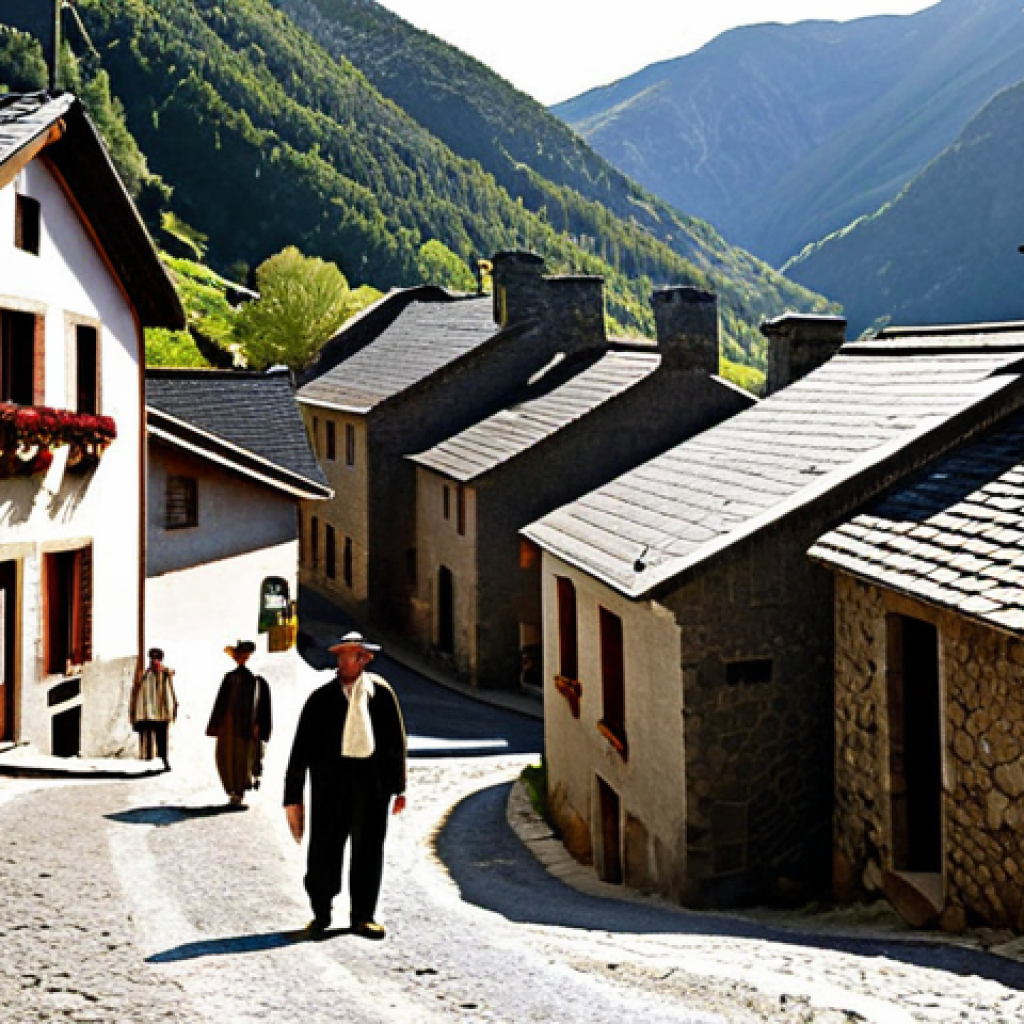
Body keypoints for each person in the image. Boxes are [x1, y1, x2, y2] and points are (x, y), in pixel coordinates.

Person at [284, 631, 407, 940]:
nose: (342, 662)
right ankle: (321, 913)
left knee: (368, 850)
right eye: (339, 656)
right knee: (324, 848)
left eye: (349, 656)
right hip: (330, 787)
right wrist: (293, 794)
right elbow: (301, 748)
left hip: (372, 787)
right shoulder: (321, 700)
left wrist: (398, 787)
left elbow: (395, 743)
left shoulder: (381, 695)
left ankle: (363, 916)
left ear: (363, 660)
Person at [206, 641, 272, 806]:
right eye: (240, 655)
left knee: (245, 760)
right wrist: (218, 725)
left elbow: (263, 706)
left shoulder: (257, 680)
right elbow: (221, 702)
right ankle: (232, 792)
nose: (242, 658)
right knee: (226, 759)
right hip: (229, 727)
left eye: (245, 655)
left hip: (247, 727)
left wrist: (260, 726)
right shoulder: (230, 677)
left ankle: (241, 791)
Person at [130, 647, 178, 770]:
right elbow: (143, 694)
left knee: (162, 736)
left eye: (157, 657)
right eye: (153, 657)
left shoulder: (166, 673)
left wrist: (172, 706)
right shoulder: (147, 675)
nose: (155, 660)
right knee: (150, 735)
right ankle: (152, 757)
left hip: (163, 713)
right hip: (151, 712)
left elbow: (170, 691)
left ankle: (164, 759)